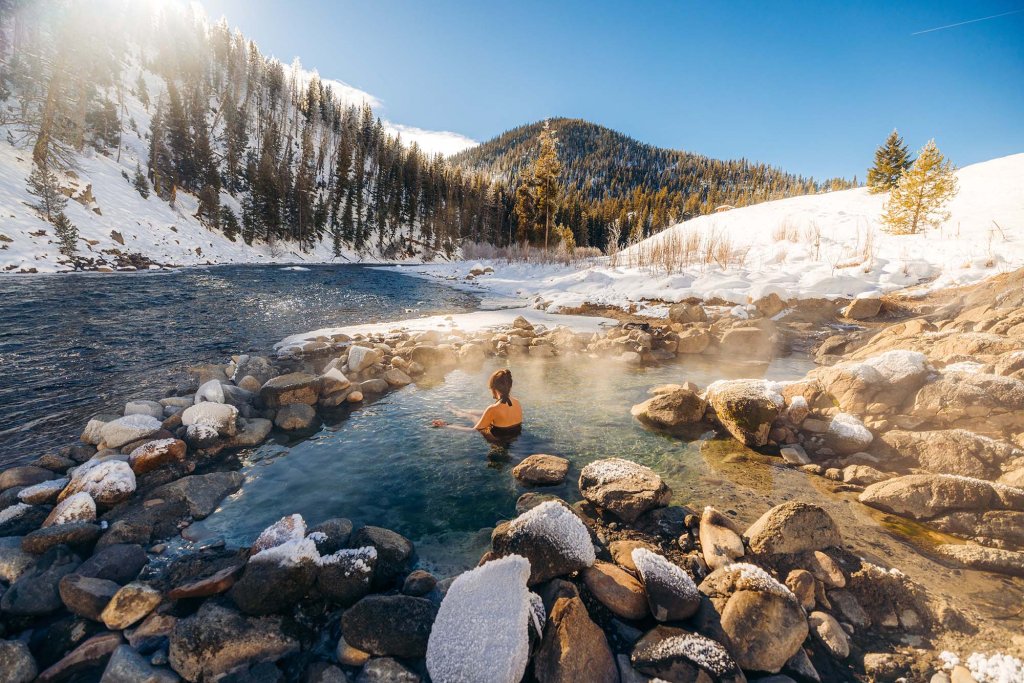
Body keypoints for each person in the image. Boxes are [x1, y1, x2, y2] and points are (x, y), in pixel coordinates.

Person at [433, 369, 523, 442]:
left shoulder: (493, 409)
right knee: (481, 413)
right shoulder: (516, 402)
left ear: (493, 388)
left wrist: (446, 425)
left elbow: (473, 431)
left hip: (498, 441)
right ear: (510, 386)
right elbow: (501, 413)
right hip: (514, 437)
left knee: (472, 417)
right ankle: (459, 410)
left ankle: (457, 411)